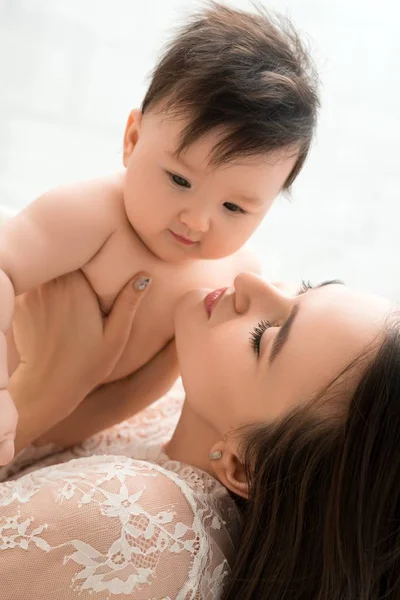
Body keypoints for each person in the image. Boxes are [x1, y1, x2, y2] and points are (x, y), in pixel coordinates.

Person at [0, 1, 320, 465]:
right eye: (179, 180)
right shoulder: (92, 215)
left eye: (234, 207)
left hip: (63, 428)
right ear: (132, 139)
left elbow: (163, 388)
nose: (196, 221)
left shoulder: (234, 278)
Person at [1, 266, 399, 599]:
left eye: (263, 336)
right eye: (303, 289)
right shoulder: (186, 412)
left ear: (241, 467)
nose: (247, 281)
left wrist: (44, 391)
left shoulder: (132, 519)